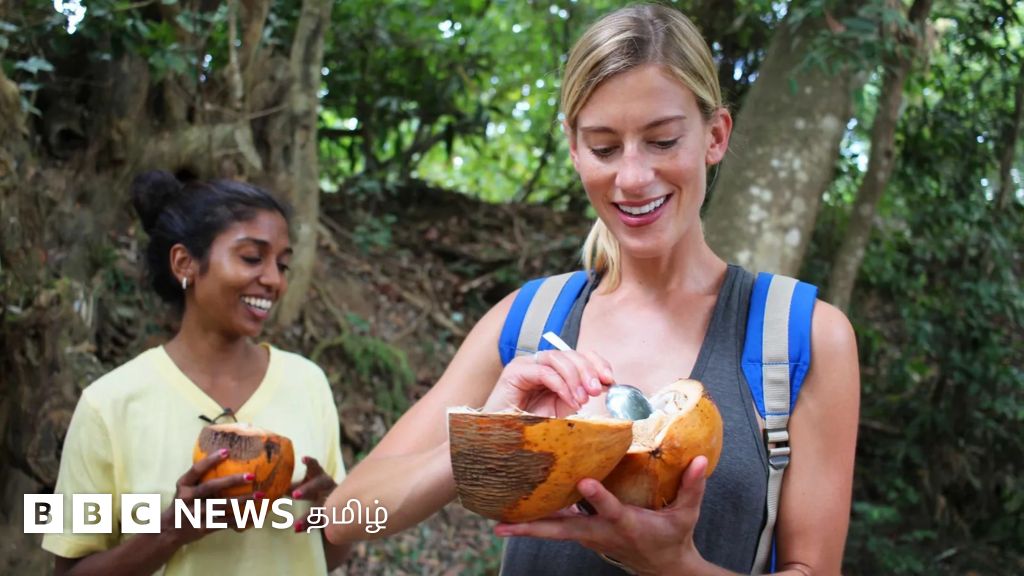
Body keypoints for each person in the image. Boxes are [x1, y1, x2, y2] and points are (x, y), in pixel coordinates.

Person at [325, 4, 859, 575]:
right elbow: (345, 516)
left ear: (716, 136)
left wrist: (675, 566)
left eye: (662, 141)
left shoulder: (800, 336)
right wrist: (493, 444)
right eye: (604, 148)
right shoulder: (530, 321)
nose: (631, 177)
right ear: (574, 148)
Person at [42, 172, 351, 575]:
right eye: (252, 258)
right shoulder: (110, 404)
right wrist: (170, 532)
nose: (274, 280)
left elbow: (327, 557)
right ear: (185, 262)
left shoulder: (307, 384)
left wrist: (333, 511)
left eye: (283, 264)